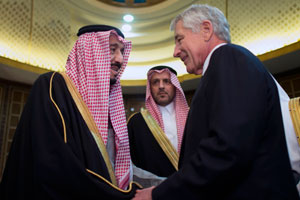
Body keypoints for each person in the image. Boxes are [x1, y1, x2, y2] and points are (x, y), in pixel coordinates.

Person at [133, 4, 299, 200]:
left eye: (179, 39)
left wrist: (159, 193)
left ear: (206, 30)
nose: (175, 52)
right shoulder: (226, 65)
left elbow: (228, 148)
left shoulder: (228, 57)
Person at [0, 25, 141, 199]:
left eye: (121, 51)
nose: (119, 59)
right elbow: (54, 166)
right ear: (89, 52)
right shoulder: (52, 87)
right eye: (112, 50)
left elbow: (113, 165)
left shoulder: (109, 107)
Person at [127, 66, 189, 186]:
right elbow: (129, 165)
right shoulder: (136, 123)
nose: (161, 86)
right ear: (150, 88)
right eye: (155, 82)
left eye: (167, 81)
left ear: (175, 86)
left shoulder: (192, 118)